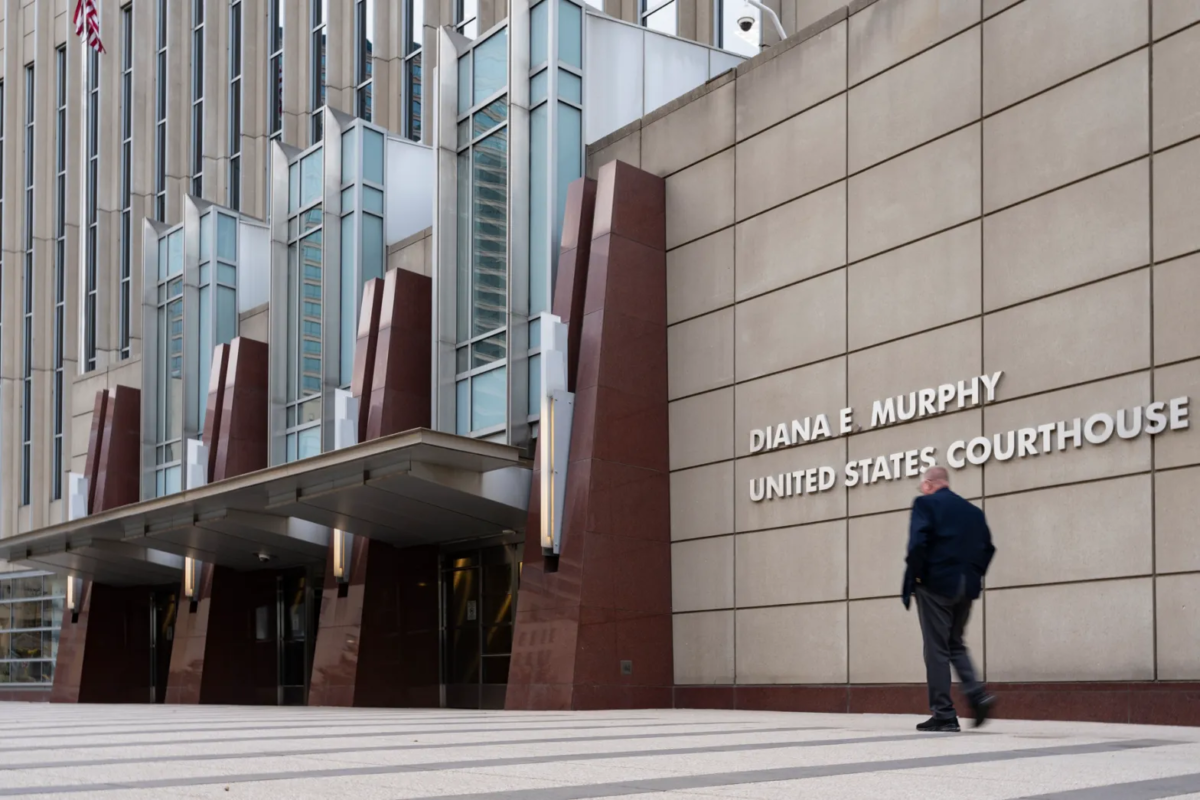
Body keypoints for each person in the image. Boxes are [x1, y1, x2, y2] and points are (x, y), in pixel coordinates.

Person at [902, 466, 996, 732]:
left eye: (922, 486)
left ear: (929, 484)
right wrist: (973, 575)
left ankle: (944, 714)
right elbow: (988, 549)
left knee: (936, 649)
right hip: (965, 587)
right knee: (955, 643)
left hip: (935, 585)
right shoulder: (973, 512)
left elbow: (917, 544)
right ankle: (977, 695)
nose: (922, 490)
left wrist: (917, 578)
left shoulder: (925, 503)